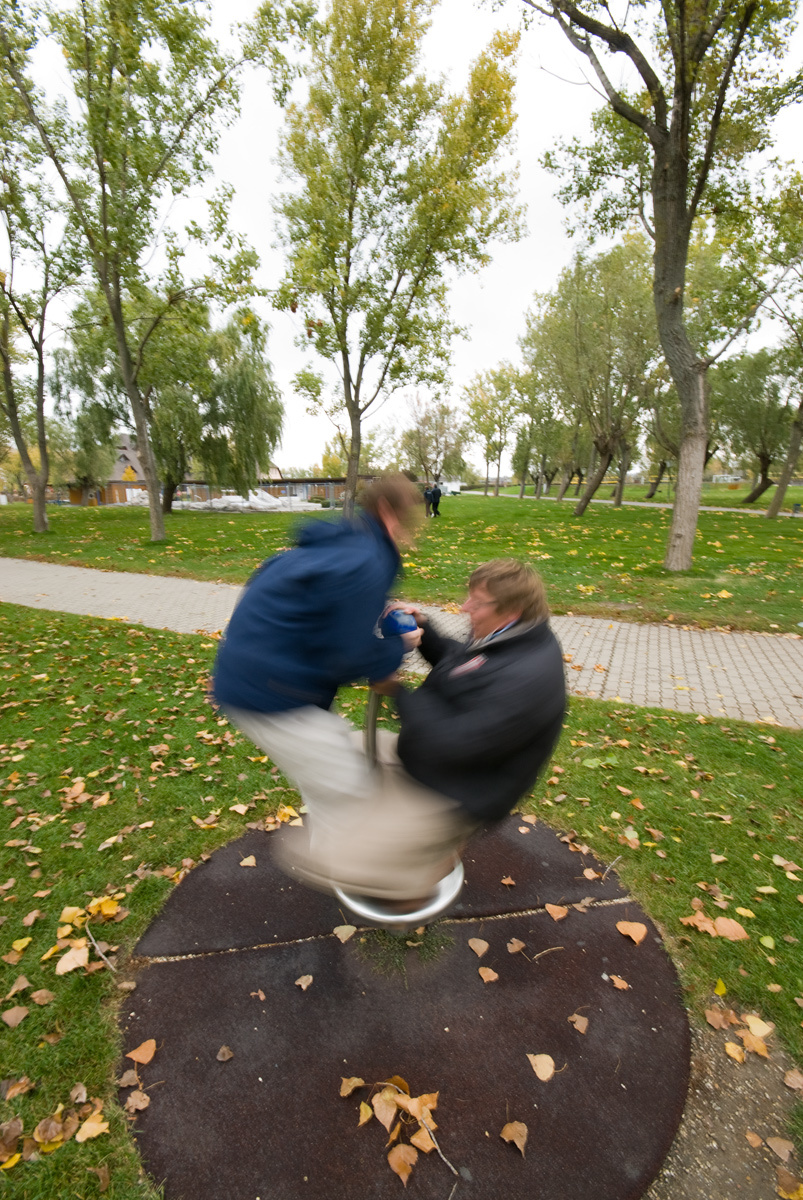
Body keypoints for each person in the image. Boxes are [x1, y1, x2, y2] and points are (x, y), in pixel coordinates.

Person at [212, 475, 427, 896]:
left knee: (331, 781)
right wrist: (398, 645)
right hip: (270, 692)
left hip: (252, 678)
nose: (408, 535)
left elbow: (321, 606)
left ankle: (340, 873)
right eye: (408, 522)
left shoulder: (343, 547)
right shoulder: (367, 560)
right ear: (388, 514)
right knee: (350, 786)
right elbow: (346, 656)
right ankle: (357, 874)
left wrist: (379, 613)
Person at [376, 558, 566, 831]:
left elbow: (451, 742)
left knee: (327, 860)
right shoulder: (507, 636)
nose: (465, 608)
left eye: (477, 603)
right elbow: (460, 665)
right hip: (431, 768)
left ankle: (433, 861)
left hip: (456, 798)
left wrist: (397, 691)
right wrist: (424, 627)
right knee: (343, 758)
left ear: (512, 611)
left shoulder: (526, 677)